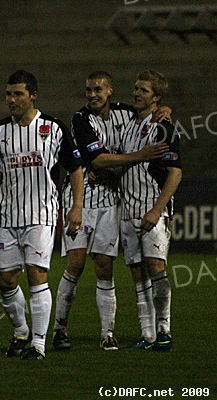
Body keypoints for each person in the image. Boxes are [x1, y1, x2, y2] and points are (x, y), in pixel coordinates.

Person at [54, 71, 171, 351]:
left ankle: (107, 333)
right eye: (89, 90)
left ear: (110, 91)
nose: (92, 95)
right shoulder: (81, 118)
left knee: (105, 266)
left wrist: (165, 109)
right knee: (76, 263)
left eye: (98, 90)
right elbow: (98, 160)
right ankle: (59, 328)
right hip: (80, 197)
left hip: (109, 199)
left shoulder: (125, 113)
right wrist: (139, 156)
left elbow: (149, 110)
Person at [0, 70, 84, 360]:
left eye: (18, 94)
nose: (11, 100)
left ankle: (38, 344)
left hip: (42, 213)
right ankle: (21, 331)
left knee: (37, 274)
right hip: (8, 215)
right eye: (8, 94)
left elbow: (75, 169)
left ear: (33, 95)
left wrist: (76, 207)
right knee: (6, 279)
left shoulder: (53, 128)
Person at [92, 70, 181, 351]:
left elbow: (175, 173)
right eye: (135, 88)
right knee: (138, 273)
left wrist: (157, 210)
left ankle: (164, 331)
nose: (136, 94)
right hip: (128, 210)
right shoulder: (129, 124)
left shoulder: (163, 127)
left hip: (152, 209)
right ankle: (148, 334)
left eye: (143, 90)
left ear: (156, 97)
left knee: (156, 268)